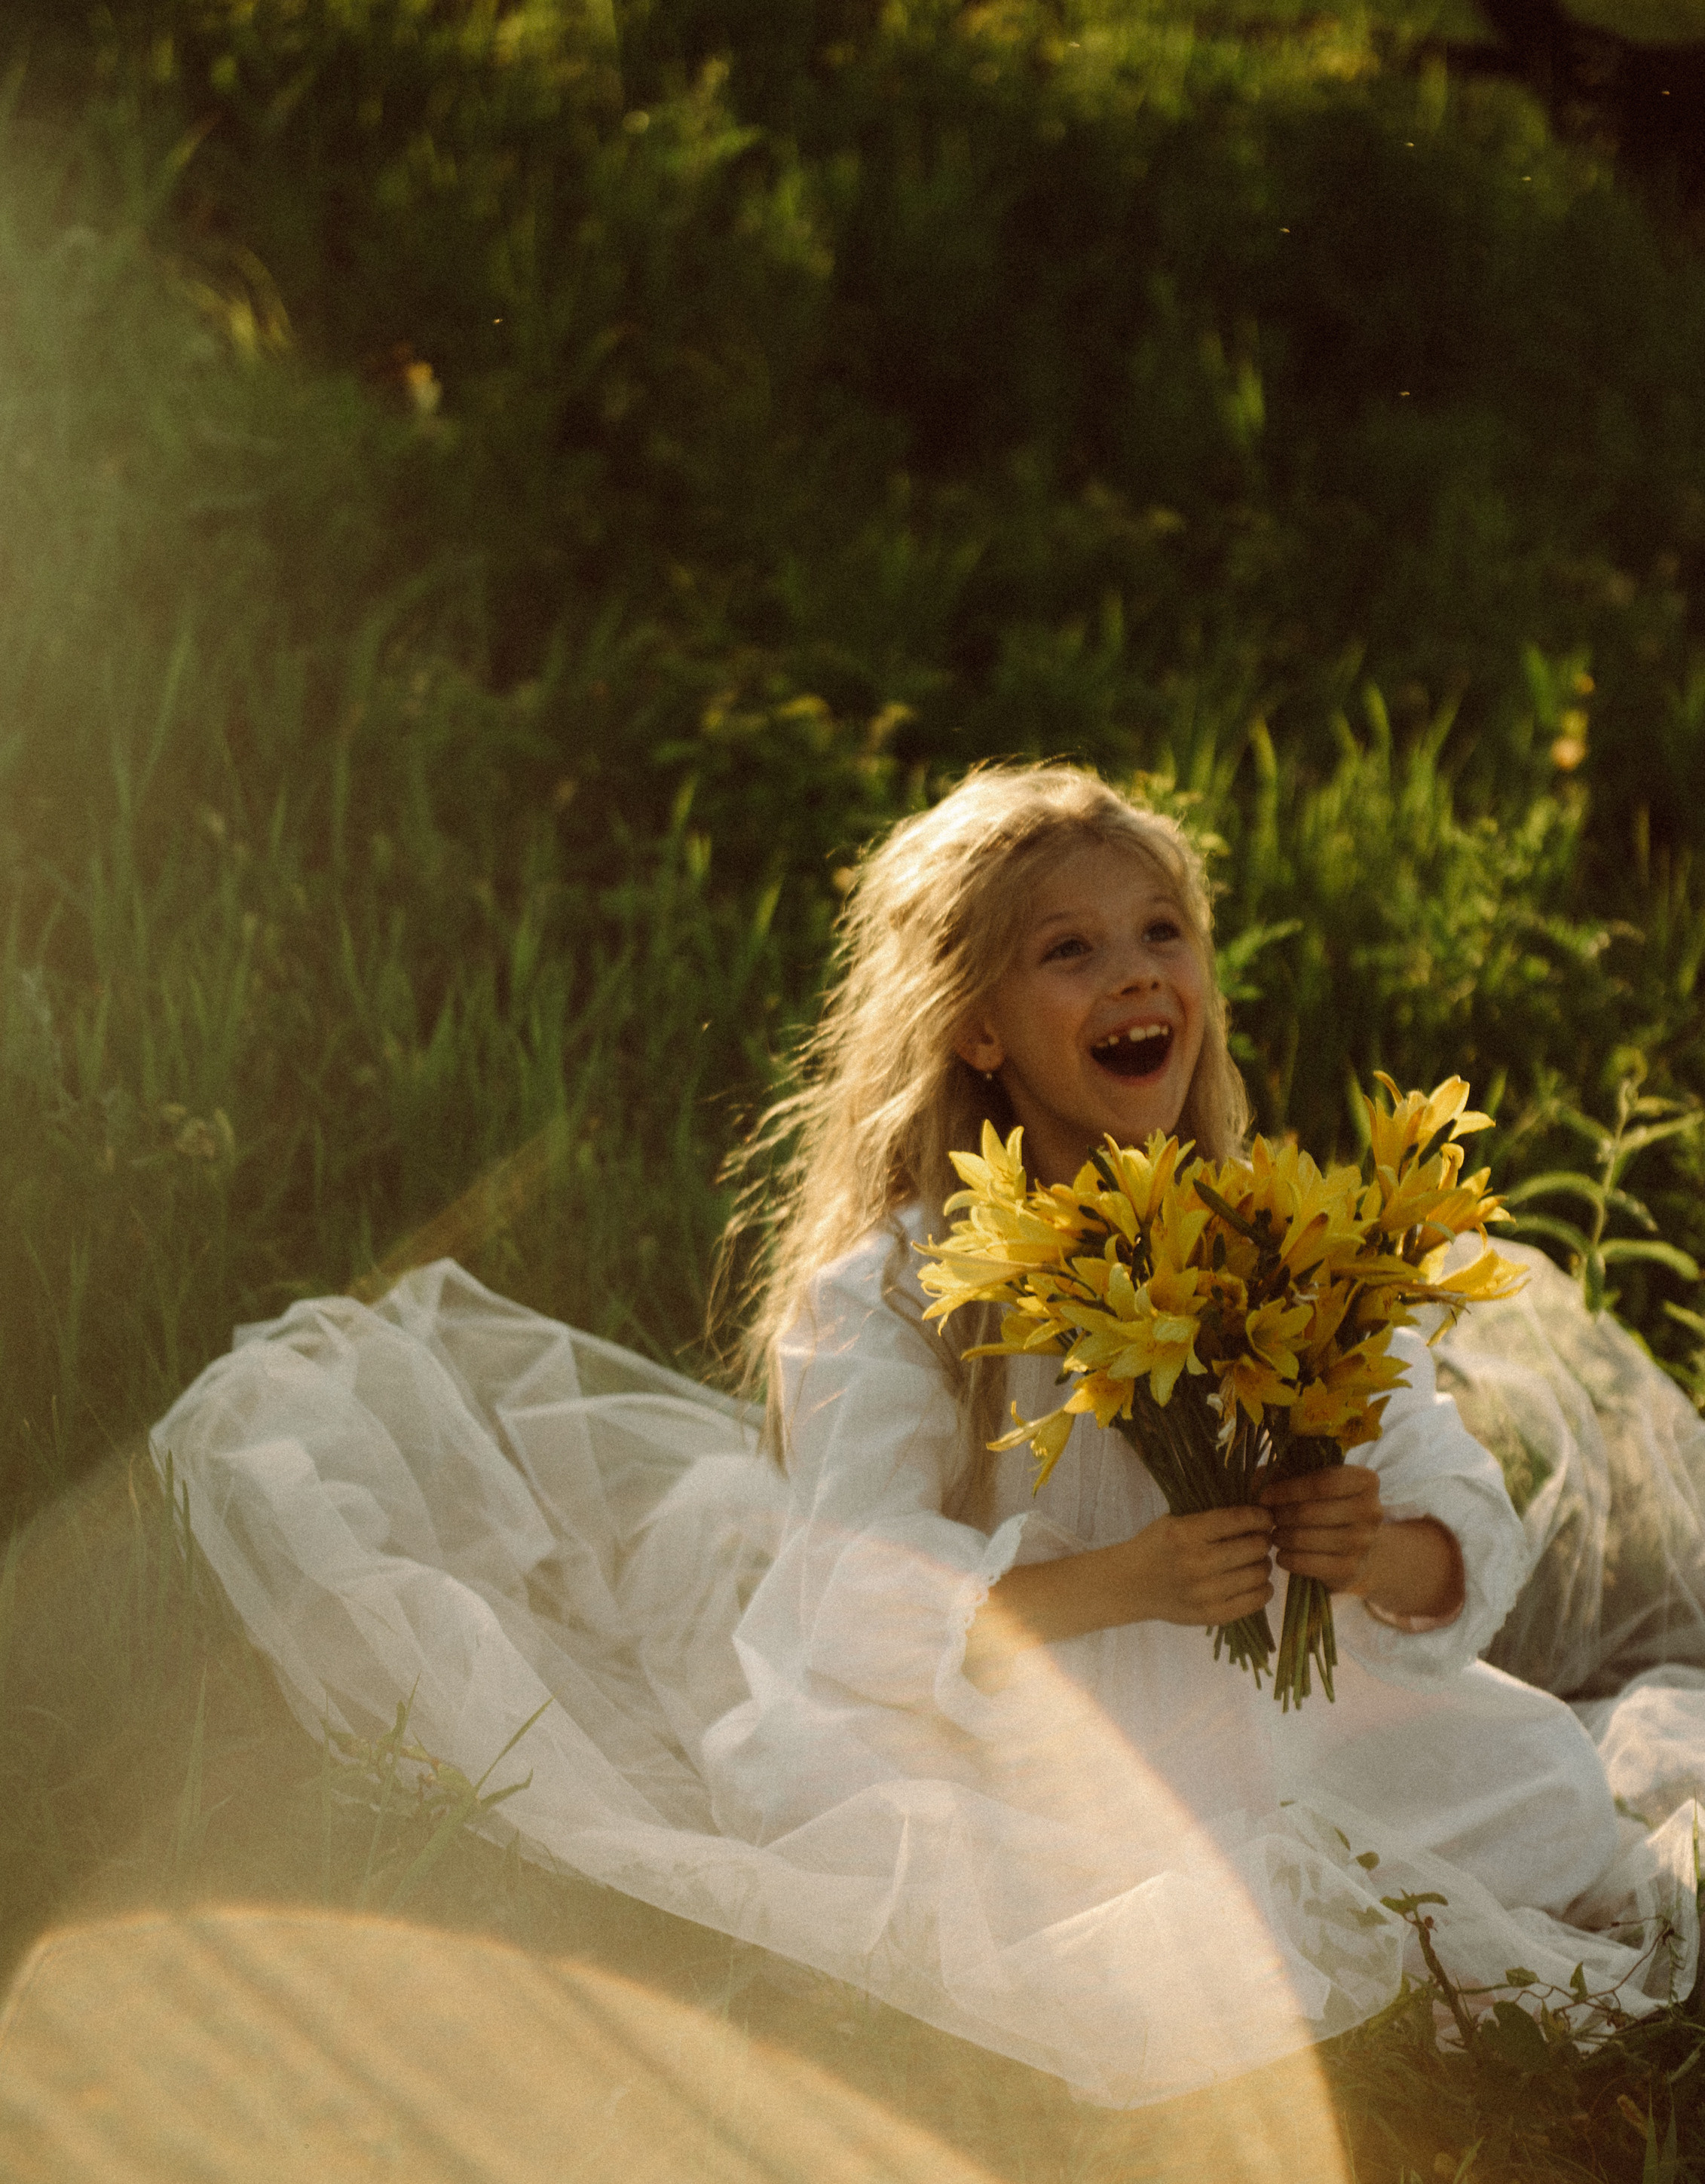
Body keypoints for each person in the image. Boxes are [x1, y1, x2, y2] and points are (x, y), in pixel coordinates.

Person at [155, 766, 1705, 2105]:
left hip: (1278, 1717)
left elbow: (1449, 1504)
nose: (1135, 976)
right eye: (1070, 950)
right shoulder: (901, 1289)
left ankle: (1290, 1859)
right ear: (974, 1026)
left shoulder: (1280, 1243)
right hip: (1015, 1735)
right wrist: (1131, 1582)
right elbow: (856, 1586)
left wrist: (1378, 1554)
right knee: (1067, 1904)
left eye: (1161, 934)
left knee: (1545, 1795)